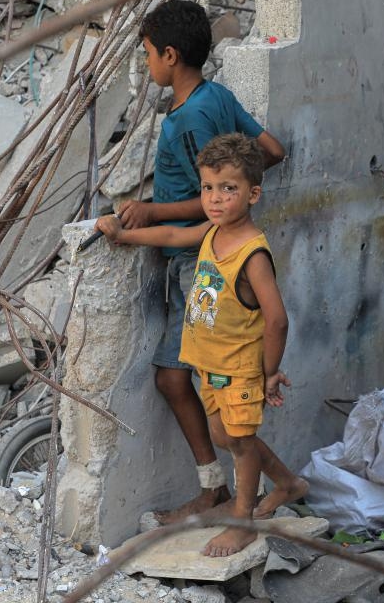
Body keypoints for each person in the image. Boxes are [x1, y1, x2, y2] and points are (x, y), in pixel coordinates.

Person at [97, 134, 307, 557]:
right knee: (226, 435)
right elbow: (175, 236)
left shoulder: (252, 254)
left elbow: (277, 319)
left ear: (253, 194)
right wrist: (124, 236)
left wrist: (269, 372)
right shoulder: (214, 230)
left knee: (241, 442)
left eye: (228, 189)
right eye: (208, 187)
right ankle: (288, 483)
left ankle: (242, 522)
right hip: (209, 365)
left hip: (239, 369)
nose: (214, 198)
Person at [119, 0, 285, 524]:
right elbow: (272, 150)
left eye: (149, 54)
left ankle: (219, 493)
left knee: (182, 382)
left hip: (199, 263)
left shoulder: (188, 118)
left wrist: (152, 209)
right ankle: (270, 484)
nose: (148, 64)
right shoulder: (217, 96)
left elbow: (208, 200)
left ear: (170, 55)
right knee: (210, 400)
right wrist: (245, 185)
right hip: (199, 254)